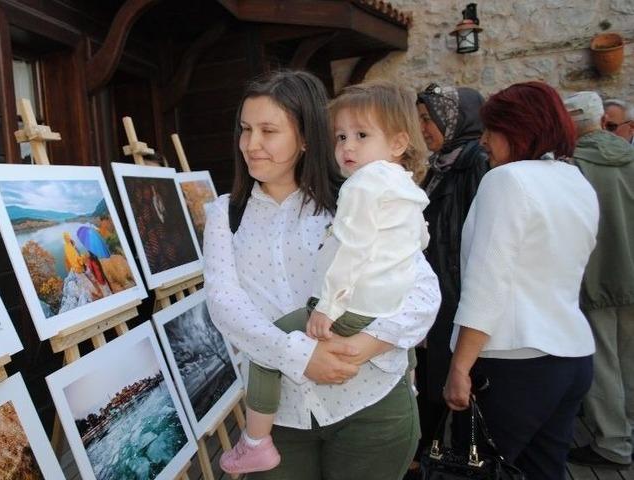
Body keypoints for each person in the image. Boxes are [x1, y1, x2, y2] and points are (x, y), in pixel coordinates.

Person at [204, 70, 440, 480]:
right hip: (282, 420)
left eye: (268, 130)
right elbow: (226, 305)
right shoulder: (226, 214)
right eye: (245, 129)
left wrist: (366, 346)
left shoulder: (353, 199)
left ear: (306, 136)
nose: (251, 144)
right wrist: (301, 357)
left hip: (370, 406)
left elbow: (422, 292)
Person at [443, 81, 599, 480]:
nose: (483, 142)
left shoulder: (507, 181)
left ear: (519, 130)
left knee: (474, 471)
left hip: (513, 363)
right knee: (544, 470)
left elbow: (488, 284)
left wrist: (460, 366)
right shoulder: (575, 180)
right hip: (571, 356)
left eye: (492, 131)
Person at [413, 83, 489, 464]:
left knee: (457, 390)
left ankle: (458, 458)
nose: (424, 127)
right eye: (422, 119)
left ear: (454, 119)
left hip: (460, 295)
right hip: (440, 294)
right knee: (435, 385)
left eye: (430, 119)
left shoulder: (475, 162)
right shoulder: (442, 164)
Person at [564, 91, 634, 469]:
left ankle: (613, 443)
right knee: (630, 359)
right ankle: (628, 434)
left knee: (603, 362)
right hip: (632, 272)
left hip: (595, 274)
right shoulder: (631, 155)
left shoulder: (572, 166)